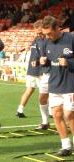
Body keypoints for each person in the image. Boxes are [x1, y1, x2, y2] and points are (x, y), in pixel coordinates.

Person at [40, 15, 74, 156]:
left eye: (49, 33)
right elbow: (48, 66)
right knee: (56, 115)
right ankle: (66, 146)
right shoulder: (45, 43)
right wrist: (44, 63)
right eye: (44, 34)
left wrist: (69, 63)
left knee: (69, 115)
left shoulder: (71, 39)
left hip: (71, 85)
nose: (47, 36)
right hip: (54, 85)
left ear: (56, 28)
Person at [16, 21, 41, 118]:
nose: (38, 34)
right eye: (37, 32)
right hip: (38, 71)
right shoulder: (41, 40)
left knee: (29, 91)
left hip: (31, 70)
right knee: (44, 92)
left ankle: (20, 110)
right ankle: (49, 112)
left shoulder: (35, 39)